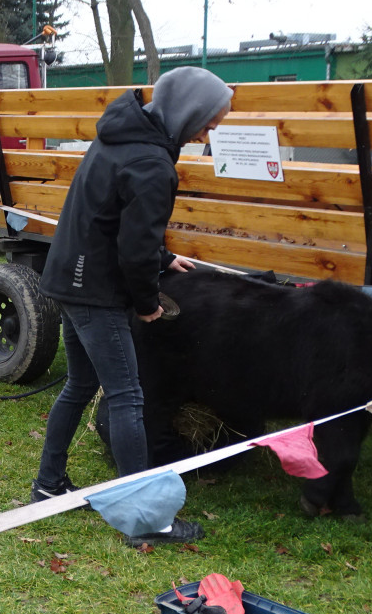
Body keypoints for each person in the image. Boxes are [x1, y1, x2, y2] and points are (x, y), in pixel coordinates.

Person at [32, 66, 233, 547]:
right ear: (186, 114)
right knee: (127, 396)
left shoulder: (120, 137)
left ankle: (48, 485)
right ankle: (147, 519)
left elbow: (110, 218)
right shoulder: (151, 164)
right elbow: (133, 249)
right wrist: (147, 303)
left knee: (81, 385)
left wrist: (166, 256)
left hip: (66, 278)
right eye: (208, 122)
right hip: (96, 292)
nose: (211, 132)